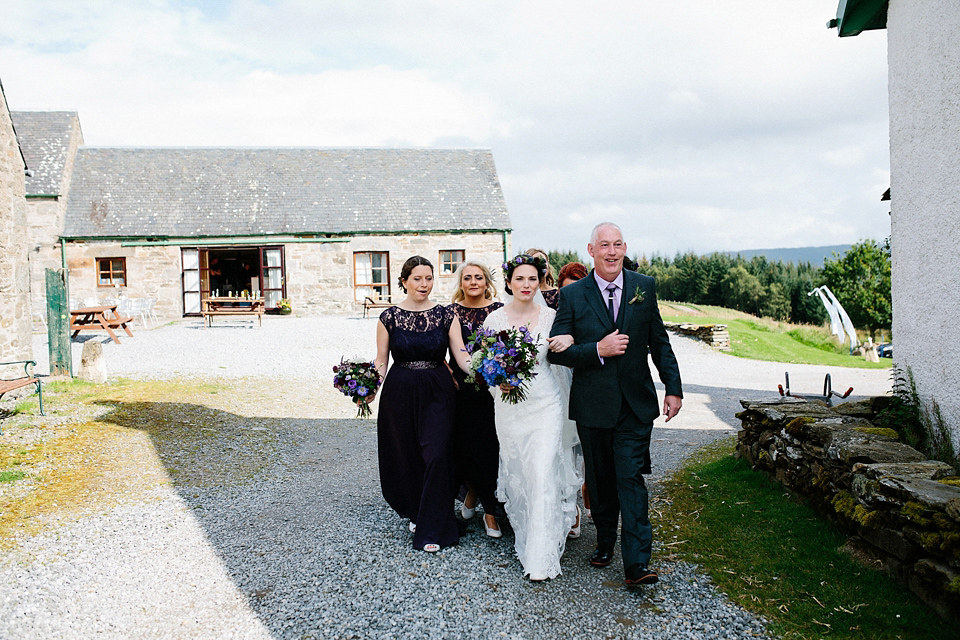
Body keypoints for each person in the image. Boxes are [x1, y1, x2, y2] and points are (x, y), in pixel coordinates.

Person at [548, 222, 683, 587]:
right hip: (593, 405)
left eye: (618, 244)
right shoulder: (574, 295)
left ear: (625, 248)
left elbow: (659, 340)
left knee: (630, 478)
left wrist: (673, 387)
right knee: (602, 480)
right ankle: (605, 538)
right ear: (591, 251)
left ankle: (637, 564)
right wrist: (597, 350)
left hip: (635, 405)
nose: (612, 252)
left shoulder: (644, 287)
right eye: (604, 245)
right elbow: (557, 351)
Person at [484, 254, 583, 581]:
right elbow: (484, 365)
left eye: (532, 279)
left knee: (541, 474)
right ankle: (527, 535)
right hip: (509, 407)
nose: (526, 285)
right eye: (519, 279)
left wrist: (569, 339)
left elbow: (568, 351)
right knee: (521, 474)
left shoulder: (553, 316)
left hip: (545, 405)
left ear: (540, 282)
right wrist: (498, 379)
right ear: (509, 282)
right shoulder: (494, 321)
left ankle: (539, 558)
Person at [366, 256, 473, 553]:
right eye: (417, 278)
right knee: (407, 454)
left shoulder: (446, 315)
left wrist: (482, 369)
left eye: (428, 278)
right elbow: (380, 360)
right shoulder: (388, 317)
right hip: (400, 391)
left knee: (437, 453)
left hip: (438, 391)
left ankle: (433, 528)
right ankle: (417, 510)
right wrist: (370, 388)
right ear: (404, 281)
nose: (423, 284)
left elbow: (461, 353)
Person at [447, 260, 504, 538]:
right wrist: (443, 367)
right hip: (459, 388)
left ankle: (491, 511)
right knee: (462, 446)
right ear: (460, 283)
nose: (473, 282)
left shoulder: (499, 311)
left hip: (491, 389)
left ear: (486, 282)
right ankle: (471, 489)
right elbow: (437, 347)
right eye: (467, 277)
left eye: (478, 277)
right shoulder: (450, 313)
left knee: (489, 446)